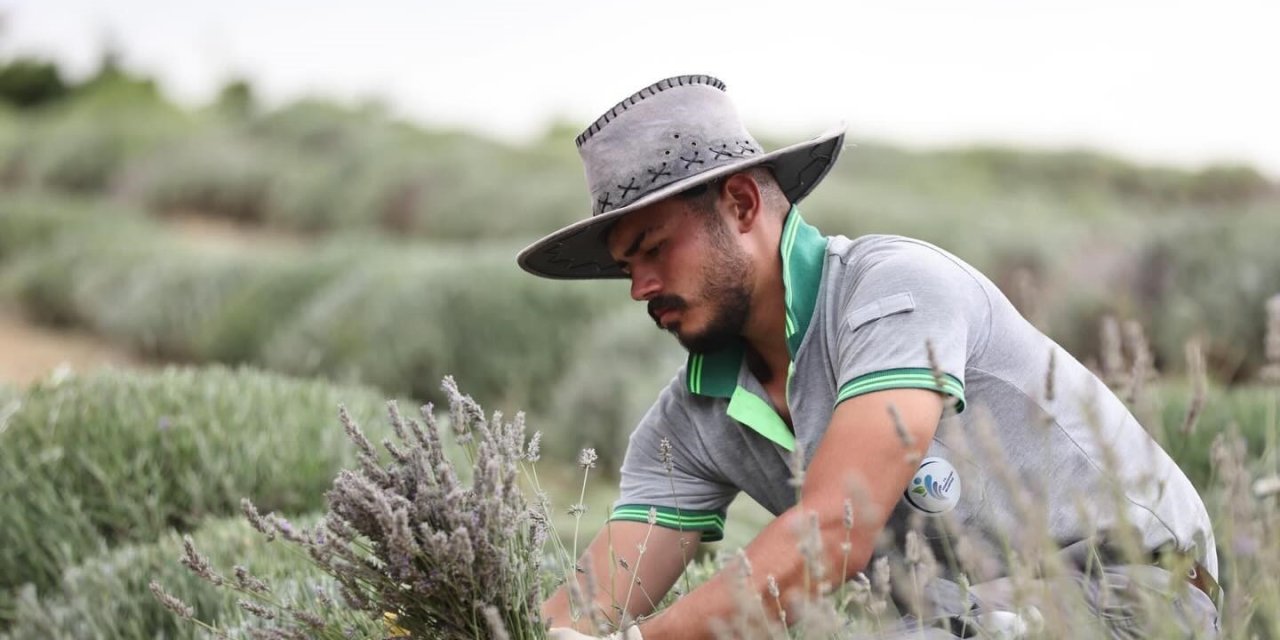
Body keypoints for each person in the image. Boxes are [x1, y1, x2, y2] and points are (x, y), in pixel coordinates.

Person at [516, 75, 1219, 639]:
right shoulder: (688, 421)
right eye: (624, 267)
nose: (638, 287)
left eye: (653, 249)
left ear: (739, 204)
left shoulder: (896, 289)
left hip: (1131, 598)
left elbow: (834, 530)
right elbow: (590, 605)